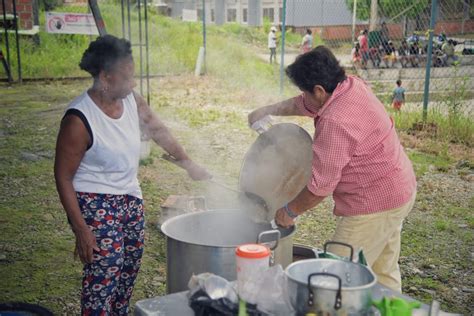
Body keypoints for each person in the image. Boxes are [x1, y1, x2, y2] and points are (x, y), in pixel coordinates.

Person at [54, 35, 211, 315]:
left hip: (129, 196)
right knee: (104, 274)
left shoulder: (131, 101)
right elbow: (63, 176)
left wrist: (188, 163)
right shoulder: (78, 120)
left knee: (128, 267)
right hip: (94, 201)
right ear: (105, 78)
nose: (134, 83)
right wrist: (81, 230)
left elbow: (159, 130)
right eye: (127, 77)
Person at [248, 46, 416, 293]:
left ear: (318, 90)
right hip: (399, 189)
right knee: (382, 273)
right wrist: (267, 110)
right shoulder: (348, 86)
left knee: (335, 277)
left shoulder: (335, 122)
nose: (302, 97)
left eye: (304, 91)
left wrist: (288, 211)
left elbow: (319, 188)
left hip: (374, 204)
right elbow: (302, 105)